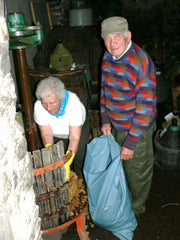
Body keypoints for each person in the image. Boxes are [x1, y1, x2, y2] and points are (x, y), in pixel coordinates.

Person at [100, 16, 157, 214]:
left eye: (117, 37)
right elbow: (104, 89)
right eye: (107, 38)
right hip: (116, 125)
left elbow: (145, 108)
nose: (112, 42)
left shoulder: (141, 62)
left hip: (137, 130)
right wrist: (105, 118)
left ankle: (137, 208)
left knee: (137, 171)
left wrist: (131, 142)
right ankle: (126, 198)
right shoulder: (107, 58)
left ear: (128, 36)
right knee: (122, 167)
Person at [34, 76, 88, 180]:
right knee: (55, 158)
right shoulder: (38, 106)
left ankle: (81, 181)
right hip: (55, 134)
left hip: (76, 132)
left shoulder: (73, 103)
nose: (48, 108)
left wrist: (67, 163)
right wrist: (52, 155)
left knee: (80, 157)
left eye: (52, 103)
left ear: (60, 98)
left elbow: (74, 137)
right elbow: (46, 134)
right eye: (45, 103)